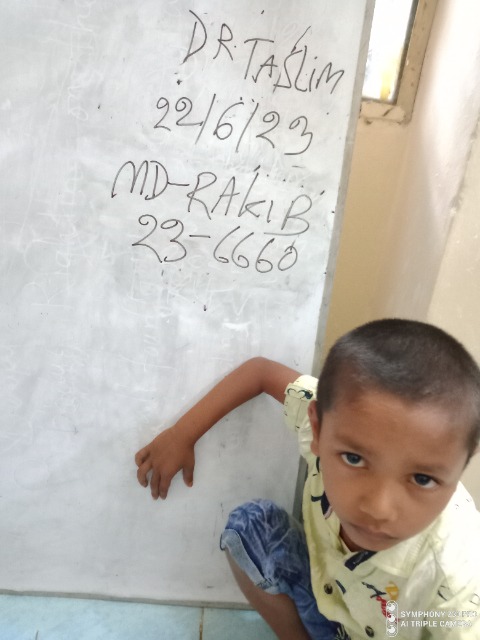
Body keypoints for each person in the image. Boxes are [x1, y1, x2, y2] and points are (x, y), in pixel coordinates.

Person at [135, 319, 480, 639]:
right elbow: (260, 372)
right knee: (250, 527)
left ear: (461, 465)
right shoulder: (343, 414)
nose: (378, 507)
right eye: (355, 459)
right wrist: (181, 434)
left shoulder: (458, 573)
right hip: (333, 608)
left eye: (422, 479)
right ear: (317, 428)